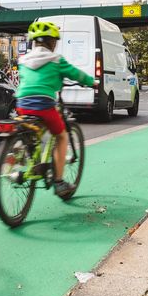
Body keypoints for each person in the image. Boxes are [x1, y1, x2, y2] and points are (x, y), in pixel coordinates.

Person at [15, 21, 96, 198]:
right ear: (52, 42)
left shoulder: (22, 60)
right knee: (61, 136)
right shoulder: (56, 60)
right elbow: (77, 74)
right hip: (44, 104)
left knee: (32, 130)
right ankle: (59, 181)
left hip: (22, 104)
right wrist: (92, 82)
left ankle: (22, 156)